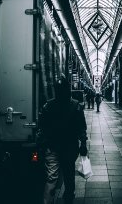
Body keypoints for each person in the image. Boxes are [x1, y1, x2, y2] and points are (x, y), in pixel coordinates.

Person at [38, 75, 88, 204]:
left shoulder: (48, 106)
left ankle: (49, 201)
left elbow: (42, 127)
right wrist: (83, 143)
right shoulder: (75, 106)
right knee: (68, 176)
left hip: (54, 148)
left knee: (52, 178)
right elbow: (81, 127)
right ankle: (68, 199)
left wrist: (43, 143)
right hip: (68, 148)